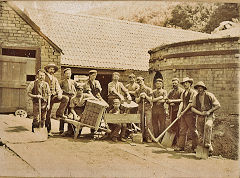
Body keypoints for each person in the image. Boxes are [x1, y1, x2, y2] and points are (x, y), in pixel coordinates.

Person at [191, 81, 220, 155]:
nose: (199, 90)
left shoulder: (209, 95)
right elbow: (192, 108)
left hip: (209, 116)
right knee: (200, 131)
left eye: (201, 88)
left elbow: (218, 105)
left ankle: (208, 144)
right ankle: (201, 148)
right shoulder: (196, 97)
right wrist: (200, 113)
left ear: (204, 88)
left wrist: (209, 111)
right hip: (200, 116)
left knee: (208, 125)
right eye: (198, 88)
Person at [44, 63, 69, 136]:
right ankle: (48, 131)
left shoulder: (54, 78)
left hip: (53, 96)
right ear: (47, 69)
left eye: (53, 69)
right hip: (46, 98)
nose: (52, 70)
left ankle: (59, 113)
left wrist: (59, 93)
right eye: (50, 69)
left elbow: (58, 87)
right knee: (48, 114)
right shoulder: (44, 77)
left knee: (65, 98)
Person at [174, 77, 198, 152]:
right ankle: (181, 146)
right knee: (182, 130)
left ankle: (195, 147)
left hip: (191, 114)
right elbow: (181, 102)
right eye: (184, 83)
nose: (185, 84)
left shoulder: (193, 92)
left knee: (193, 130)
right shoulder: (183, 93)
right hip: (184, 114)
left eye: (186, 83)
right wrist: (179, 113)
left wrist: (183, 112)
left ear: (190, 84)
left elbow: (190, 104)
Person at [83, 70, 103, 137]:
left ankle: (95, 129)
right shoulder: (87, 82)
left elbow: (99, 90)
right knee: (91, 113)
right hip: (89, 98)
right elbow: (89, 92)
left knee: (101, 111)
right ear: (90, 75)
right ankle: (89, 128)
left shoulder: (97, 82)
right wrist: (93, 98)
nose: (94, 77)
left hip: (97, 97)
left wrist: (98, 98)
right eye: (93, 75)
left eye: (95, 75)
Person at [135, 76, 153, 143]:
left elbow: (151, 100)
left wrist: (145, 95)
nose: (140, 83)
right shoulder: (137, 91)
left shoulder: (149, 89)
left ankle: (148, 137)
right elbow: (136, 101)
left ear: (143, 80)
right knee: (141, 122)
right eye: (138, 81)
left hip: (147, 108)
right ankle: (142, 136)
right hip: (140, 107)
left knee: (148, 122)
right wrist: (140, 97)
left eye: (140, 81)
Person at [60, 68, 77, 135]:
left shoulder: (73, 82)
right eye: (66, 73)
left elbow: (78, 87)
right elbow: (59, 89)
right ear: (64, 74)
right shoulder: (62, 82)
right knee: (63, 113)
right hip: (65, 98)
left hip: (72, 98)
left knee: (71, 113)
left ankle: (70, 129)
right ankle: (61, 129)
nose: (68, 75)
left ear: (71, 74)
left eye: (69, 73)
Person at [167, 78, 184, 145]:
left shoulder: (181, 91)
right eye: (173, 83)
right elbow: (167, 99)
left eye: (175, 83)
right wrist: (168, 102)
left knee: (179, 126)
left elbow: (181, 100)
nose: (174, 84)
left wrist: (172, 101)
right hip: (172, 111)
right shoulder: (171, 92)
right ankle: (173, 141)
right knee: (173, 125)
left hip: (179, 111)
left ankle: (179, 142)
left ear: (178, 83)